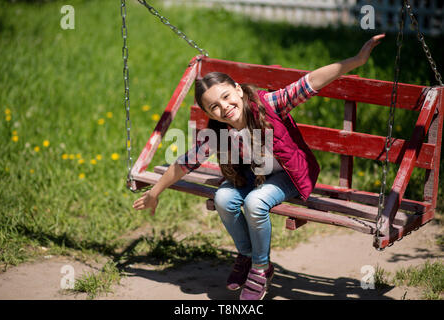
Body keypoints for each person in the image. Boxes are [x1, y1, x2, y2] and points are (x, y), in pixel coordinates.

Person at [133, 34, 385, 300]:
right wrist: (155, 192)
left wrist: (356, 61)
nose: (224, 108)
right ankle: (247, 255)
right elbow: (185, 163)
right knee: (223, 197)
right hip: (256, 176)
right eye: (214, 107)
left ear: (239, 90)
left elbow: (310, 82)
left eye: (227, 97)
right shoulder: (219, 132)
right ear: (208, 114)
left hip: (289, 176)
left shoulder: (270, 105)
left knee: (255, 203)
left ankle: (261, 268)